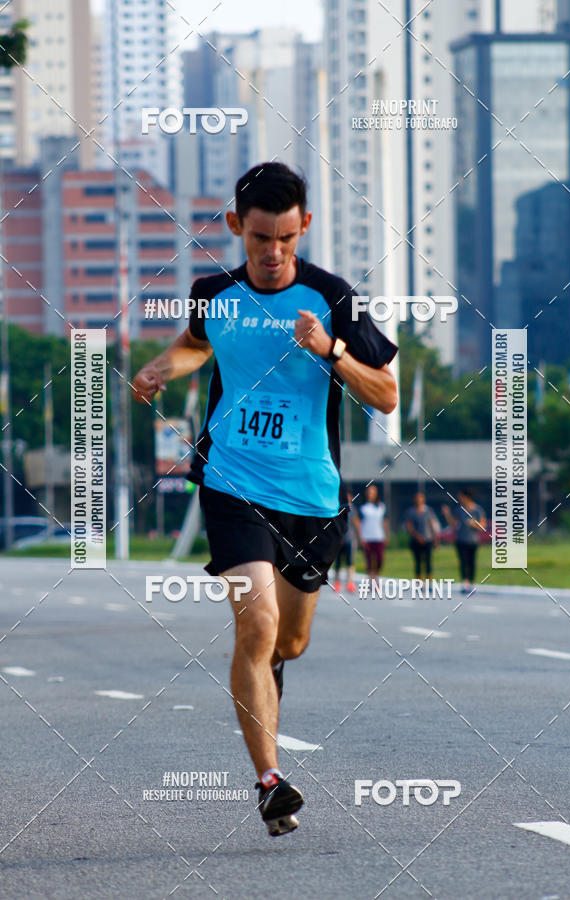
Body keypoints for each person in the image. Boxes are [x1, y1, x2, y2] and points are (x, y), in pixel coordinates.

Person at [131, 162, 398, 837]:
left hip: (311, 496)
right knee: (254, 626)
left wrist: (331, 349)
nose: (272, 254)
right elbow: (198, 345)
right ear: (235, 229)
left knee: (292, 641)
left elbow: (387, 394)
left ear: (303, 225)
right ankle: (270, 781)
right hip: (232, 484)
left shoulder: (334, 296)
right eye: (258, 240)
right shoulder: (212, 292)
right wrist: (165, 366)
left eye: (284, 238)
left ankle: (273, 667)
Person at [442, 488, 487, 593]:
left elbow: (483, 526)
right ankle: (465, 584)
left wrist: (474, 524)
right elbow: (453, 524)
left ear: (467, 497)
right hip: (461, 540)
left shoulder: (477, 510)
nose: (459, 498)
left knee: (471, 562)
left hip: (473, 540)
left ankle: (471, 584)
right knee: (463, 562)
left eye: (461, 496)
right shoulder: (459, 509)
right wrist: (447, 514)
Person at [355, 484, 389, 581]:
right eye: (369, 492)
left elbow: (385, 522)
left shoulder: (381, 507)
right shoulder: (362, 508)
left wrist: (386, 536)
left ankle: (376, 576)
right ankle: (372, 580)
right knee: (369, 560)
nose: (371, 494)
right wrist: (360, 538)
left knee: (379, 560)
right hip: (367, 538)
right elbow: (358, 524)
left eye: (373, 492)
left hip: (379, 537)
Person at [404, 492, 440, 580]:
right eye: (417, 498)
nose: (419, 500)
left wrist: (435, 537)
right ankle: (419, 581)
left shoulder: (428, 511)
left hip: (428, 539)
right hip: (416, 540)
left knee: (428, 561)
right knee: (418, 562)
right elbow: (409, 526)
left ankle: (429, 580)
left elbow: (433, 524)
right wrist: (417, 536)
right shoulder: (411, 511)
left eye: (420, 498)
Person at [333, 488, 357, 593]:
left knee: (350, 562)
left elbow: (356, 524)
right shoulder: (337, 508)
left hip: (349, 539)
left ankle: (350, 582)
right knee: (337, 563)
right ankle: (337, 582)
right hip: (338, 540)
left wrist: (359, 538)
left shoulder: (353, 509)